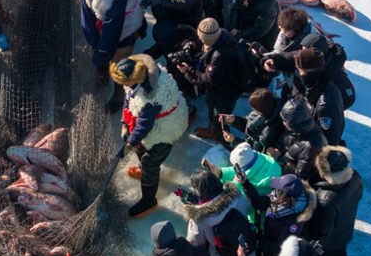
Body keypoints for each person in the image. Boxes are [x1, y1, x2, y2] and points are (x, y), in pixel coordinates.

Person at [111, 55, 189, 217]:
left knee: (150, 161)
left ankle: (149, 201)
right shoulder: (136, 80)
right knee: (141, 147)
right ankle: (143, 170)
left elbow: (144, 125)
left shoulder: (151, 97)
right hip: (153, 121)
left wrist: (129, 144)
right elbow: (128, 99)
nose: (122, 85)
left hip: (165, 128)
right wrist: (125, 123)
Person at [76, 0, 145, 114]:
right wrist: (93, 40)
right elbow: (86, 13)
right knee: (99, 50)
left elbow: (113, 29)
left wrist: (101, 52)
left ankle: (119, 95)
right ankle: (102, 75)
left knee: (117, 63)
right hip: (105, 24)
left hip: (125, 29)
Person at [183, 169, 256, 256]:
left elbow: (194, 243)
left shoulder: (199, 218)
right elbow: (247, 207)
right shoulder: (237, 196)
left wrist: (194, 207)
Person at [307, 146, 362, 256]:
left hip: (329, 240)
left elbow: (324, 230)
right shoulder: (356, 177)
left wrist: (316, 247)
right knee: (341, 254)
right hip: (346, 230)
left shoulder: (325, 198)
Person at [178, 18, 244, 141]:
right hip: (227, 85)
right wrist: (196, 45)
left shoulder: (220, 56)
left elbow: (208, 81)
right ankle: (214, 129)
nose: (201, 41)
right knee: (216, 112)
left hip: (224, 92)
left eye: (202, 39)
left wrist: (187, 72)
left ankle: (219, 135)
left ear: (210, 39)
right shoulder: (223, 34)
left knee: (218, 116)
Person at [240, 173, 317, 256]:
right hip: (267, 244)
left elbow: (279, 248)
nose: (274, 189)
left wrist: (259, 239)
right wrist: (246, 185)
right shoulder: (278, 198)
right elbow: (260, 203)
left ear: (284, 195)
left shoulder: (294, 222)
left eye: (278, 187)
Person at [204, 142, 282, 222]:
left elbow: (245, 200)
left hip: (259, 216)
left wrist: (235, 183)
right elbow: (245, 169)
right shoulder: (268, 161)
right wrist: (220, 172)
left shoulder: (254, 184)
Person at [293, 48, 346, 146]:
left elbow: (326, 141)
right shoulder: (318, 84)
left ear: (307, 73)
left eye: (299, 71)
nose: (299, 74)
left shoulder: (325, 105)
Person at [276, 96, 328, 184]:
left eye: (285, 121)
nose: (283, 123)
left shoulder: (310, 147)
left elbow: (300, 176)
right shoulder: (296, 128)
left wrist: (279, 160)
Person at [218, 89, 283, 153]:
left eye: (254, 108)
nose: (252, 109)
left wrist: (234, 140)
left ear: (261, 110)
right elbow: (249, 122)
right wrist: (234, 120)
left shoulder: (268, 132)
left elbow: (254, 151)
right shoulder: (269, 108)